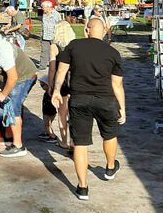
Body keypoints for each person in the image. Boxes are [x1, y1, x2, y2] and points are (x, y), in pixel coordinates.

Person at [51, 19, 126, 201]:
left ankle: (83, 187)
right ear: (105, 31)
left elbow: (61, 71)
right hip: (106, 100)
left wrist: (56, 91)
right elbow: (117, 85)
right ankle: (109, 167)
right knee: (109, 135)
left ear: (87, 30)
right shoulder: (113, 52)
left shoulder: (74, 46)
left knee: (81, 144)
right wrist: (122, 108)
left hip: (80, 100)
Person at [0, 31, 38, 158]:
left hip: (24, 76)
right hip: (13, 77)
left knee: (12, 107)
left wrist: (3, 94)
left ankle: (18, 146)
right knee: (6, 105)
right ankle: (9, 137)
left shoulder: (2, 52)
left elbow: (13, 77)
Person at [48, 20, 76, 150]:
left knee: (62, 113)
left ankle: (64, 141)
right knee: (74, 113)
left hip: (62, 81)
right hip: (74, 80)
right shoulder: (75, 45)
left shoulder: (54, 47)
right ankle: (73, 141)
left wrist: (50, 85)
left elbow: (52, 69)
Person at [40, 0, 63, 70]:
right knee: (44, 51)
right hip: (45, 35)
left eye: (43, 7)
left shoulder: (56, 14)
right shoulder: (44, 14)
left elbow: (60, 25)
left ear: (48, 7)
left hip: (54, 36)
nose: (42, 8)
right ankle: (42, 66)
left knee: (55, 51)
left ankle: (56, 65)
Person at [37, 76, 58, 143]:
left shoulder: (51, 93)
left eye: (42, 85)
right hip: (46, 111)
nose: (41, 86)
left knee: (47, 125)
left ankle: (53, 136)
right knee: (47, 124)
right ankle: (47, 133)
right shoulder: (47, 92)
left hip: (50, 112)